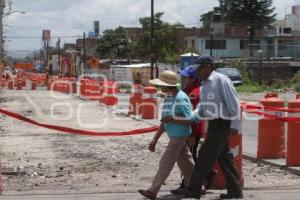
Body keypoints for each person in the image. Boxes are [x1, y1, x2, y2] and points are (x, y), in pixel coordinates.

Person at [170, 55, 243, 199]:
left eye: (199, 68)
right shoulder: (204, 84)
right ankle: (235, 191)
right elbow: (203, 109)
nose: (197, 72)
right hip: (213, 124)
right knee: (225, 159)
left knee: (204, 157)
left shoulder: (221, 80)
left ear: (208, 67)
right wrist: (191, 117)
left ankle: (194, 189)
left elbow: (234, 104)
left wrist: (235, 125)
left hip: (222, 123)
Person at [138, 70, 195, 200]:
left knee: (166, 162)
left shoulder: (180, 98)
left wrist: (173, 119)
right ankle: (197, 186)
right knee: (186, 163)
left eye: (161, 85)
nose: (160, 88)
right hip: (174, 135)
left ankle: (153, 191)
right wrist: (155, 139)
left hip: (179, 136)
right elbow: (164, 121)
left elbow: (190, 119)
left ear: (167, 86)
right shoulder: (169, 97)